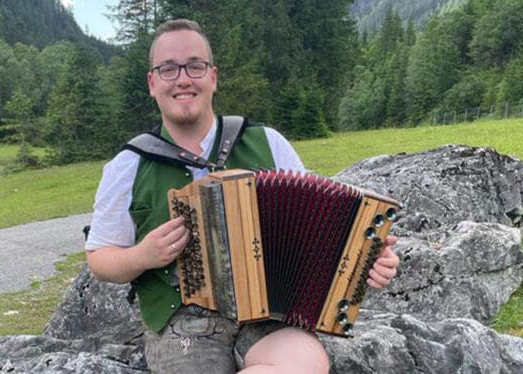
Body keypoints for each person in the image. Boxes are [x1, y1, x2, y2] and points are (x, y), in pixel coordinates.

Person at [85, 18, 399, 374]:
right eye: (169, 69)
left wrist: (368, 259)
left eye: (195, 66)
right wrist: (142, 255)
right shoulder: (129, 164)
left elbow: (326, 230)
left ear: (213, 76)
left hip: (267, 316)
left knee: (306, 364)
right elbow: (99, 257)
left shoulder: (268, 143)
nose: (184, 79)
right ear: (152, 82)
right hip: (182, 325)